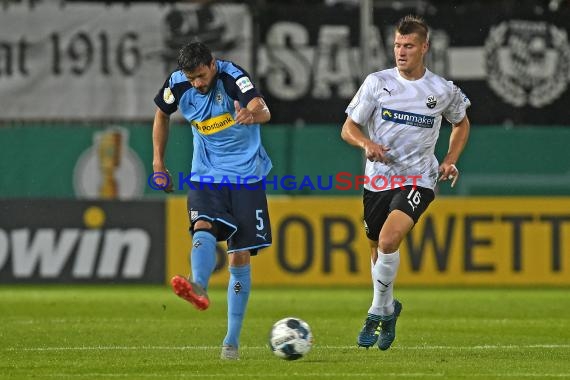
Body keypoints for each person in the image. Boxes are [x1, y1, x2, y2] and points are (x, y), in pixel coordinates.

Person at [341, 15, 471, 351]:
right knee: (376, 247)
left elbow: (461, 123)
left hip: (419, 178)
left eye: (409, 45)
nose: (401, 51)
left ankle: (374, 312)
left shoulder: (441, 90)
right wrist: (366, 144)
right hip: (378, 181)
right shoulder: (376, 82)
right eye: (398, 45)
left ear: (424, 47)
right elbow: (349, 128)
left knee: (388, 239)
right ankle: (388, 308)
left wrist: (450, 159)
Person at [151, 41, 273, 360]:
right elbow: (161, 115)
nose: (197, 84)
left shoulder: (233, 78)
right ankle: (199, 286)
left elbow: (264, 109)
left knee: (239, 257)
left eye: (201, 76)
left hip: (246, 176)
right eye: (191, 78)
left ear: (213, 64)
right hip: (206, 173)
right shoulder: (177, 82)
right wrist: (157, 163)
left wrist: (251, 113)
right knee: (201, 223)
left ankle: (231, 341)